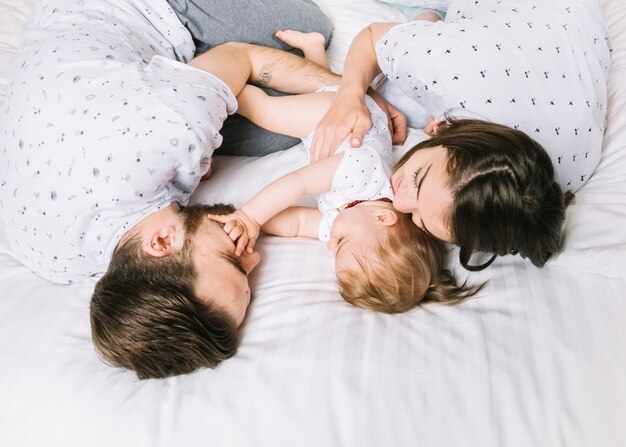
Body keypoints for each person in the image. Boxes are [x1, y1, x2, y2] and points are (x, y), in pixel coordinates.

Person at [0, 0, 350, 379]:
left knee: (308, 25)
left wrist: (356, 99)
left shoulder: (172, 136)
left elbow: (241, 57)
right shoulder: (50, 260)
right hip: (76, 73)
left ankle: (197, 75)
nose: (254, 259)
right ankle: (193, 79)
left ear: (161, 243)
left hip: (134, 9)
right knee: (289, 129)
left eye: (232, 262)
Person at [309, 0, 610, 270]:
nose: (399, 204)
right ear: (453, 137)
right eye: (418, 178)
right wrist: (349, 95)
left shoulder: (566, 176)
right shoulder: (455, 69)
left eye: (420, 221)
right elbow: (373, 37)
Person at [209, 30, 480, 314]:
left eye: (336, 249)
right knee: (266, 111)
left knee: (317, 87)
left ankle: (314, 49)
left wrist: (247, 229)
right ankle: (221, 82)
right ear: (383, 217)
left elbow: (297, 223)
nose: (330, 244)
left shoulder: (351, 226)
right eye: (341, 243)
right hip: (350, 119)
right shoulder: (363, 174)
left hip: (339, 118)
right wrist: (250, 216)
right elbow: (298, 183)